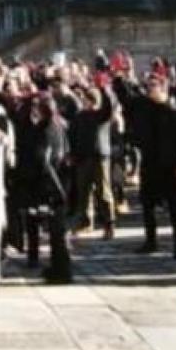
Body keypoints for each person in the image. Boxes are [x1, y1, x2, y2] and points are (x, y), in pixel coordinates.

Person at [128, 76, 176, 260]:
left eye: (153, 86)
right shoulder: (145, 109)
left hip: (171, 165)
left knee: (175, 207)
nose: (149, 90)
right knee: (147, 204)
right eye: (148, 86)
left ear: (164, 88)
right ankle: (151, 241)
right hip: (150, 163)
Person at [21, 96, 71, 283]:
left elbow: (43, 160)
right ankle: (57, 266)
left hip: (46, 184)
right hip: (57, 181)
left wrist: (54, 184)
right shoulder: (59, 126)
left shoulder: (45, 129)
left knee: (48, 227)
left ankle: (59, 270)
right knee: (56, 230)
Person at [67, 85, 115, 239]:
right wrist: (72, 154)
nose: (86, 102)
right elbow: (72, 136)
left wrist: (105, 91)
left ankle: (109, 224)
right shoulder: (79, 116)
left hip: (99, 157)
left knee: (104, 192)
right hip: (82, 158)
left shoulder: (101, 115)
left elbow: (109, 107)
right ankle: (86, 222)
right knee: (84, 192)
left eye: (89, 100)